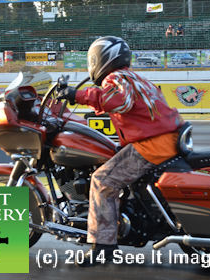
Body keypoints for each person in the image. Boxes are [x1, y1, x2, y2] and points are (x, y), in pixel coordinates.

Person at [56, 36, 184, 266]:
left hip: (153, 145)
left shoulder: (116, 78)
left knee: (102, 180)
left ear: (103, 59)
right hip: (168, 139)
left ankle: (103, 246)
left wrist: (77, 95)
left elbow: (118, 101)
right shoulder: (134, 77)